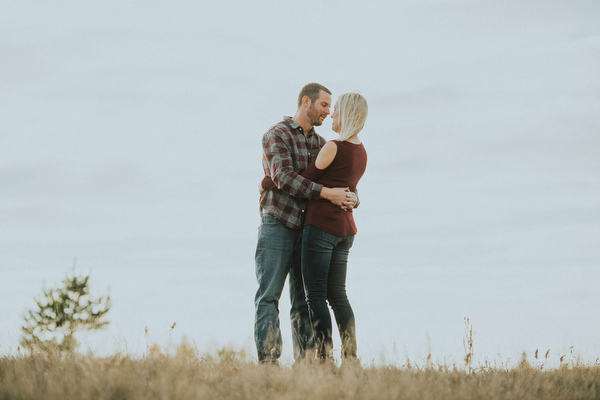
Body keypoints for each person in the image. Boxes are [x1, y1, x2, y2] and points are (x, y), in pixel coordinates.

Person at [255, 83, 357, 364]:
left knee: (303, 301)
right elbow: (284, 178)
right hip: (278, 222)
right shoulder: (277, 134)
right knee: (269, 295)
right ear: (305, 102)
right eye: (324, 105)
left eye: (330, 107)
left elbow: (340, 181)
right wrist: (325, 193)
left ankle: (306, 363)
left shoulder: (323, 144)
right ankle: (269, 360)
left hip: (308, 231)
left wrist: (350, 197)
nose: (329, 111)